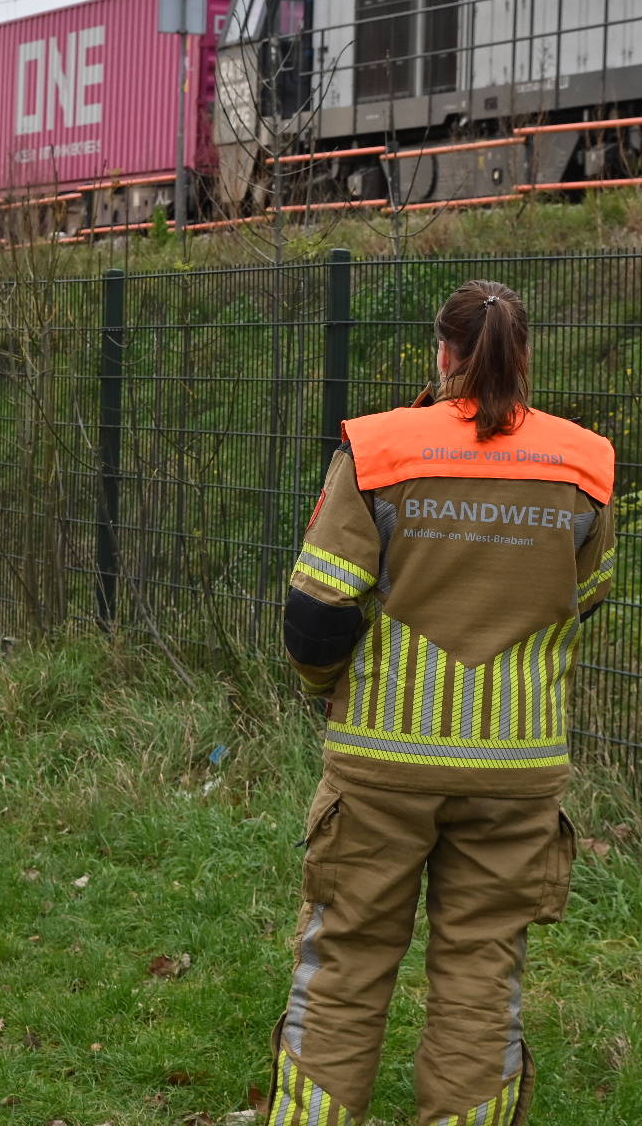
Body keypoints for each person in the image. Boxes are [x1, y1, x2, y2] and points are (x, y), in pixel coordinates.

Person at [263, 279, 617, 1125]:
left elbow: (316, 616)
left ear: (443, 355)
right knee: (482, 976)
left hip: (384, 762)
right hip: (518, 771)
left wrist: (330, 693)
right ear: (524, 358)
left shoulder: (382, 450)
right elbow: (589, 597)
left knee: (345, 964)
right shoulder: (583, 465)